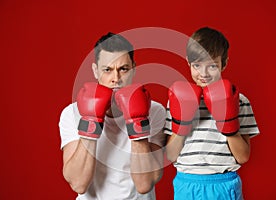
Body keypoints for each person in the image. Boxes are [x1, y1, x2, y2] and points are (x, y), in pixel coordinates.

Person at [59, 32, 166, 200]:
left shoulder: (155, 111)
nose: (116, 78)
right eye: (107, 70)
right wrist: (91, 121)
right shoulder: (72, 113)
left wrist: (137, 122)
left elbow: (144, 184)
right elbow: (78, 184)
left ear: (134, 69)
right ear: (95, 70)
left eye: (123, 69)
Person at [164, 27, 260, 200]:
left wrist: (228, 123)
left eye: (212, 66)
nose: (203, 73)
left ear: (224, 63)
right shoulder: (177, 99)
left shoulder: (239, 100)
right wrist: (182, 124)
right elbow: (170, 155)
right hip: (186, 183)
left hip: (223, 183)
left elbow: (243, 156)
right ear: (188, 62)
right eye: (197, 65)